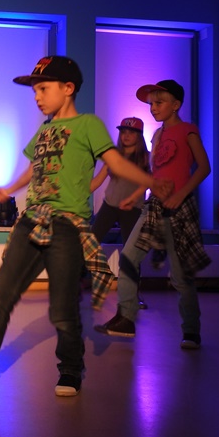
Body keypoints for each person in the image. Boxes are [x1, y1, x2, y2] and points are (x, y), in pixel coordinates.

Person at [0, 56, 172, 397]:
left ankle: (71, 370)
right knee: (0, 296)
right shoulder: (44, 130)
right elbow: (34, 168)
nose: (37, 96)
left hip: (67, 226)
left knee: (62, 309)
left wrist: (151, 182)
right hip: (32, 222)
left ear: (68, 88)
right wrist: (8, 189)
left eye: (43, 89)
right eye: (35, 91)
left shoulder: (88, 125)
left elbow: (116, 163)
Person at [94, 79, 210, 350]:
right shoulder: (157, 135)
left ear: (176, 104)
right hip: (154, 206)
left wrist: (181, 194)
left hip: (179, 208)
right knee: (128, 257)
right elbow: (155, 175)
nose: (153, 107)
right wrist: (138, 195)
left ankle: (191, 330)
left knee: (180, 276)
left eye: (159, 102)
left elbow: (204, 167)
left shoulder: (188, 131)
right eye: (151, 104)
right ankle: (126, 317)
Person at [89, 116, 150, 308]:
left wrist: (134, 198)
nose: (126, 135)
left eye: (131, 132)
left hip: (132, 209)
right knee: (90, 243)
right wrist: (79, 192)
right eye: (123, 132)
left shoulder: (145, 157)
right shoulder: (114, 156)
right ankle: (79, 287)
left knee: (131, 252)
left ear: (139, 136)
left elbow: (148, 183)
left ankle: (133, 295)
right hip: (110, 205)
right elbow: (99, 180)